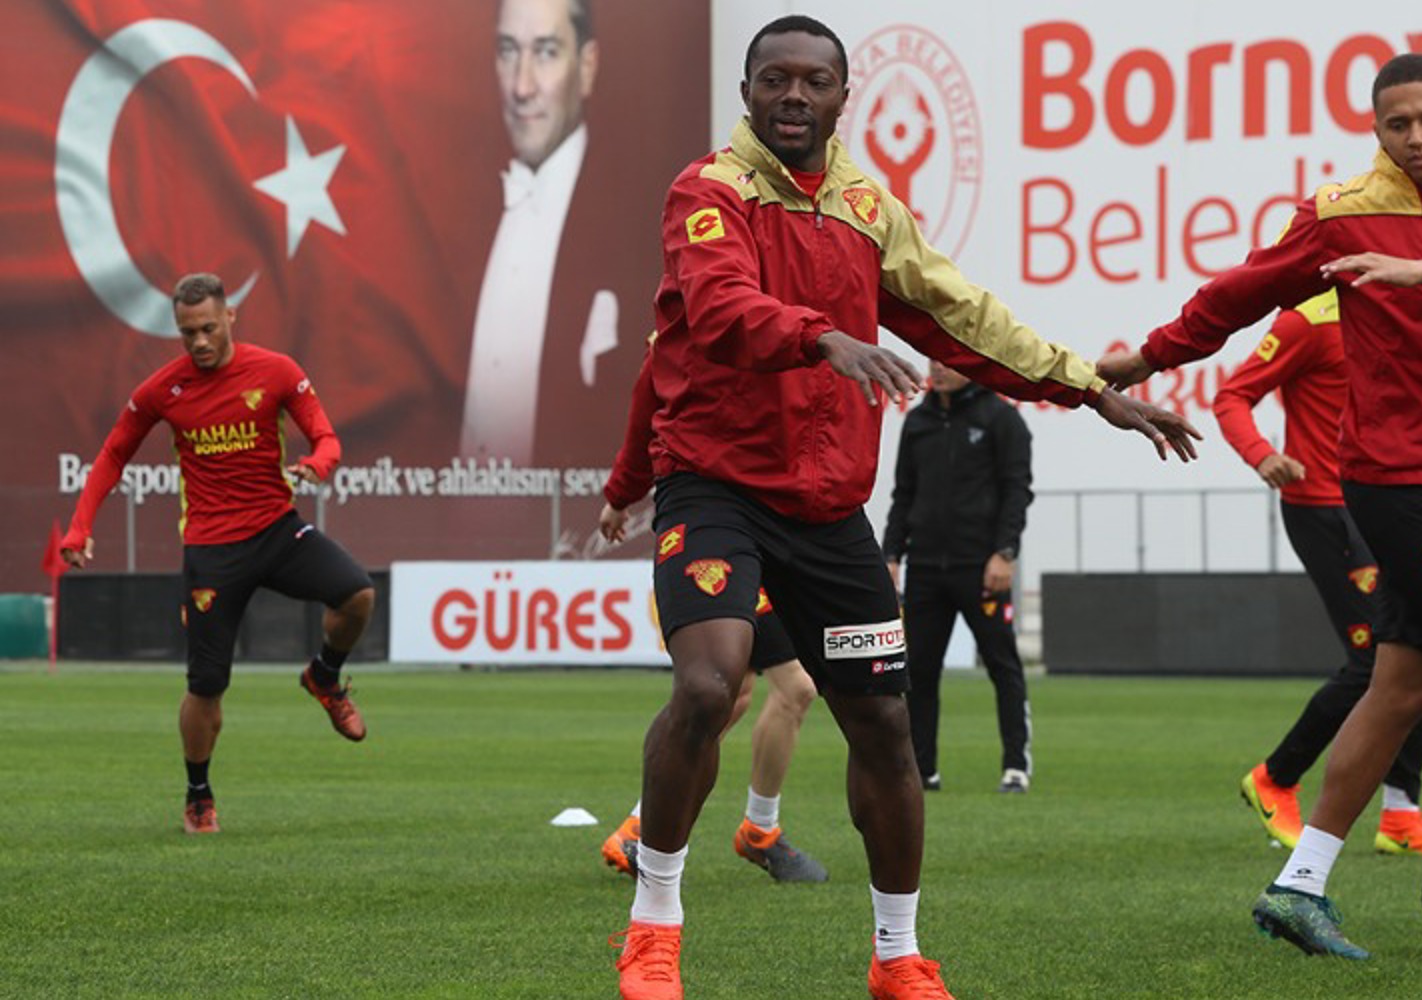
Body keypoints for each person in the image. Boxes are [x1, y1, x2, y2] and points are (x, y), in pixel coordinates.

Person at [610, 16, 1199, 1000]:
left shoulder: (868, 209)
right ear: (747, 94)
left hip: (828, 509)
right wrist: (821, 336)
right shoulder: (707, 191)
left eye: (815, 81)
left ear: (844, 98)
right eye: (774, 79)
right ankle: (654, 927)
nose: (793, 95)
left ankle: (896, 957)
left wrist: (1090, 388)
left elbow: (964, 316)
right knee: (709, 686)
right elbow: (716, 303)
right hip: (716, 487)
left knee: (884, 722)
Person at [1098, 54, 1422, 961]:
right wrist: (1152, 356)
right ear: (1376, 129)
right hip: (1398, 481)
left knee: (1403, 686)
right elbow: (1242, 291)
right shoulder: (1339, 211)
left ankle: (1298, 886)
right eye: (1398, 124)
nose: (1416, 137)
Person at [59, 273, 375, 836]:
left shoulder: (277, 371)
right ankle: (198, 794)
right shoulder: (163, 390)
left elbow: (326, 438)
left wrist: (317, 465)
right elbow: (112, 454)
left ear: (230, 317)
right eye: (188, 333)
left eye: (208, 328)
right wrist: (80, 527)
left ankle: (324, 677)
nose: (199, 342)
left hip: (277, 531)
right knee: (206, 686)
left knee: (357, 594)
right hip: (211, 551)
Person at [1215, 290, 1422, 855]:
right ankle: (1275, 778)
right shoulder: (1306, 322)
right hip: (1325, 511)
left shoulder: (1389, 307)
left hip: (1386, 501)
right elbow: (1232, 396)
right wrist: (1263, 454)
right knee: (1374, 662)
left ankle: (1401, 814)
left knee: (1419, 646)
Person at [598, 340, 826, 884]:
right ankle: (751, 830)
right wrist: (621, 494)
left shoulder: (782, 332)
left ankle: (648, 826)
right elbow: (646, 415)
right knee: (788, 687)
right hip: (722, 538)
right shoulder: (684, 335)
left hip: (770, 534)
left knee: (739, 690)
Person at [459, 0, 653, 468]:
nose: (522, 86)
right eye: (508, 51)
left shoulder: (636, 223)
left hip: (579, 506)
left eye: (546, 52)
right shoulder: (457, 208)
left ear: (586, 66)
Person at [883, 360, 1034, 795]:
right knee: (919, 671)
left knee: (1002, 665)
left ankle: (1015, 765)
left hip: (981, 567)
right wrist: (891, 554)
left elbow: (1017, 491)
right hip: (926, 568)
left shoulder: (1001, 418)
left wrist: (1004, 553)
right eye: (933, 361)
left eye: (947, 361)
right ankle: (923, 769)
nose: (939, 368)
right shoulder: (918, 421)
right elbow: (903, 494)